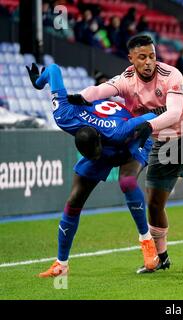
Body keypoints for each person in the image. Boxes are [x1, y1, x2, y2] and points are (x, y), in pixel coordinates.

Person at [75, 35, 183, 272]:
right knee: (153, 202)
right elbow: (99, 90)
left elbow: (173, 114)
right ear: (131, 59)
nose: (149, 62)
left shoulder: (171, 75)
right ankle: (161, 258)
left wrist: (148, 126)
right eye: (143, 57)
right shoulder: (125, 80)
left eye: (152, 56)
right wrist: (78, 98)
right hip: (162, 141)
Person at [26, 63, 159, 277]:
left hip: (130, 141)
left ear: (98, 139)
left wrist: (142, 133)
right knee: (74, 200)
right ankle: (61, 264)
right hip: (106, 143)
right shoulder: (64, 116)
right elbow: (52, 69)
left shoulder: (116, 131)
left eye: (94, 154)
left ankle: (146, 241)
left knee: (126, 181)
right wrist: (38, 83)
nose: (94, 158)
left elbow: (152, 117)